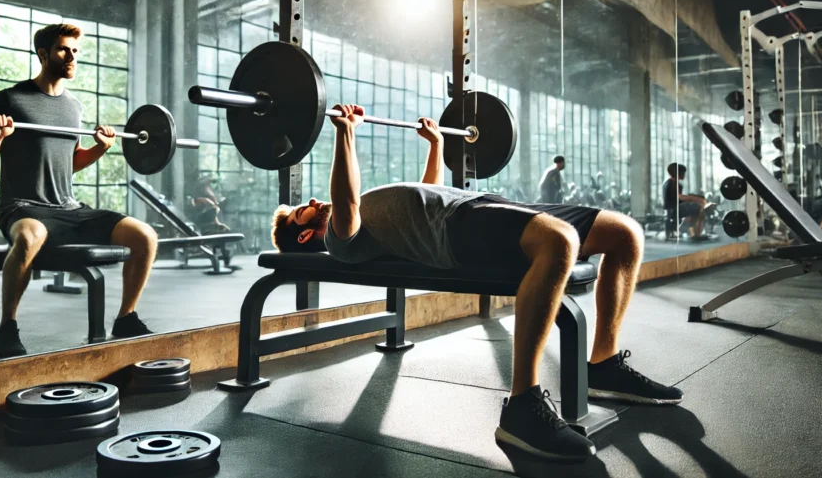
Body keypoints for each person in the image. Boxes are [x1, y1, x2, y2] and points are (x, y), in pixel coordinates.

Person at [270, 104, 681, 461]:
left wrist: (435, 145)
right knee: (560, 240)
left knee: (625, 233)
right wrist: (345, 135)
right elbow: (346, 201)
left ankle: (604, 365)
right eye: (299, 215)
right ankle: (523, 406)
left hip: (483, 203)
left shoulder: (367, 218)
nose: (309, 204)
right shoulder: (342, 242)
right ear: (305, 236)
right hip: (458, 229)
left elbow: (427, 191)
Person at [0, 23, 159, 359]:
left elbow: (69, 162)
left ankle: (126, 318)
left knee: (144, 235)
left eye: (75, 51)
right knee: (28, 238)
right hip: (22, 207)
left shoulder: (74, 107)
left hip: (68, 208)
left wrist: (101, 148)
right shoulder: (9, 99)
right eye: (63, 50)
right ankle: (7, 327)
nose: (72, 56)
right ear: (43, 54)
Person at [662, 163, 715, 239]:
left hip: (674, 207)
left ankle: (693, 232)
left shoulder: (675, 184)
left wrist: (693, 198)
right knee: (698, 208)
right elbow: (680, 197)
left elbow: (678, 198)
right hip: (673, 208)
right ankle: (694, 233)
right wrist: (698, 199)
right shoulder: (671, 184)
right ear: (677, 173)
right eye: (682, 173)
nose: (684, 175)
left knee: (696, 207)